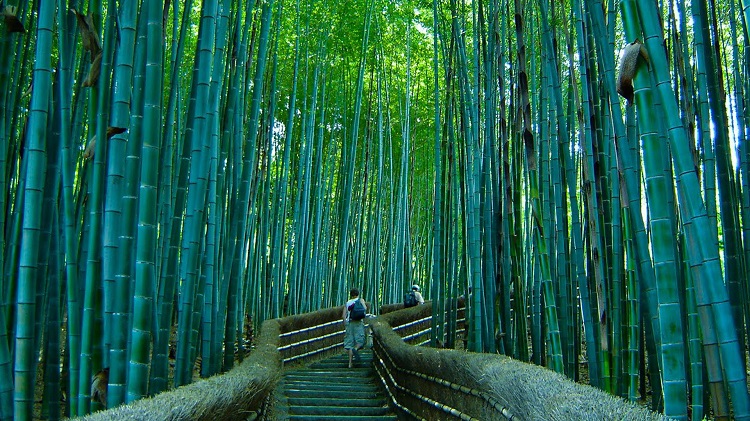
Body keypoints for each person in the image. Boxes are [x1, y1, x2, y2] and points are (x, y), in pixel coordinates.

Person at [342, 288, 367, 368]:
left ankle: (350, 363)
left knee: (350, 344)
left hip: (350, 323)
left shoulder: (348, 303)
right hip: (358, 323)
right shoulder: (360, 300)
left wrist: (345, 324)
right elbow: (365, 309)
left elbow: (343, 316)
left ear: (351, 294)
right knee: (360, 341)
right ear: (358, 294)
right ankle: (355, 349)